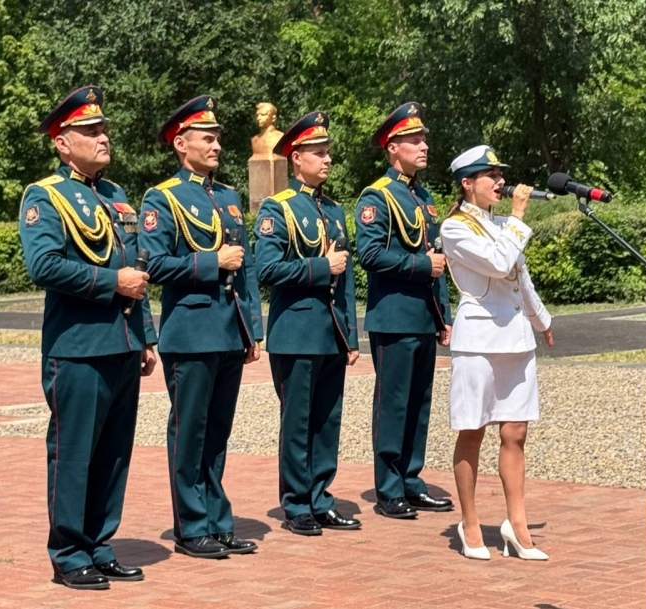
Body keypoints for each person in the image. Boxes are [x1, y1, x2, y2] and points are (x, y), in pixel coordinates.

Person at [19, 85, 158, 589]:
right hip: (77, 347)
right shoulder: (45, 195)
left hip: (122, 343)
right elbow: (44, 265)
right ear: (63, 143)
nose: (103, 138)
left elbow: (137, 270)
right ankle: (68, 552)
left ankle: (100, 545)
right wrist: (110, 283)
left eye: (103, 130)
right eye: (90, 131)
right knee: (74, 453)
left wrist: (145, 336)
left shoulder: (116, 195)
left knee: (114, 454)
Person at [139, 95, 264, 559]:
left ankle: (217, 520)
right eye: (207, 138)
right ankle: (191, 527)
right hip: (190, 333)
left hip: (228, 331)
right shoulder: (163, 198)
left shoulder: (228, 197)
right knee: (190, 433)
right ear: (181, 143)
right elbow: (154, 265)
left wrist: (252, 330)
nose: (216, 146)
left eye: (217, 139)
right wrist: (211, 262)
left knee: (217, 434)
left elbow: (247, 268)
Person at [440, 145, 553, 561]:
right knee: (473, 430)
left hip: (515, 338)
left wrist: (542, 320)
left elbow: (520, 277)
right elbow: (498, 262)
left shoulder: (504, 224)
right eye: (492, 175)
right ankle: (469, 522)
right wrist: (519, 217)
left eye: (501, 174)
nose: (501, 182)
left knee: (515, 432)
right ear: (468, 183)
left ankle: (516, 525)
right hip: (479, 340)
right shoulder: (454, 228)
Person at [253, 111, 361, 536]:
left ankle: (320, 498)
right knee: (298, 423)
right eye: (318, 152)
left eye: (328, 151)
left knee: (327, 421)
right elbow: (268, 269)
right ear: (296, 158)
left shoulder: (333, 209)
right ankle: (297, 503)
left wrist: (350, 335)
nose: (327, 158)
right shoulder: (278, 207)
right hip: (295, 332)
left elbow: (346, 278)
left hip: (330, 332)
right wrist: (320, 267)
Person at [354, 102, 453, 519]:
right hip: (394, 316)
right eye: (414, 140)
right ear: (393, 147)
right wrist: (420, 266)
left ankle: (412, 481)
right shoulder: (377, 196)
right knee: (393, 404)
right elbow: (369, 254)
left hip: (423, 315)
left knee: (419, 403)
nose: (424, 146)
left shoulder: (423, 196)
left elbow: (438, 258)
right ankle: (389, 487)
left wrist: (444, 315)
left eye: (424, 138)